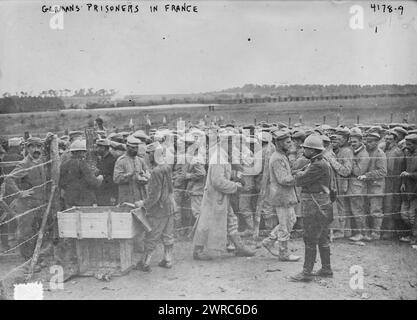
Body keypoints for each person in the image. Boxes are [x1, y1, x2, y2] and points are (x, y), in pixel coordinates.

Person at [192, 132, 255, 260]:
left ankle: (239, 247)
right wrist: (235, 186)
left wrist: (233, 178)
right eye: (231, 143)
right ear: (225, 143)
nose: (234, 146)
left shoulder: (223, 156)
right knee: (205, 223)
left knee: (231, 220)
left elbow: (223, 176)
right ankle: (198, 251)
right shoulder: (218, 158)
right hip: (214, 197)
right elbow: (217, 181)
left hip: (220, 197)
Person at [291, 135, 333, 282]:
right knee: (322, 238)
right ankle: (326, 268)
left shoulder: (317, 165)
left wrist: (298, 174)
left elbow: (300, 180)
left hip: (315, 205)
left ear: (313, 150)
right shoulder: (319, 162)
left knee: (310, 238)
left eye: (306, 148)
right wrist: (301, 173)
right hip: (322, 204)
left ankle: (306, 272)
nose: (303, 149)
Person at [5, 137, 47, 265]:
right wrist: (20, 193)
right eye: (32, 146)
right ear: (27, 148)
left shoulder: (39, 161)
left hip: (38, 203)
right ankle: (26, 261)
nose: (36, 149)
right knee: (24, 232)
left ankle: (34, 258)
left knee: (35, 231)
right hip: (26, 204)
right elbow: (9, 179)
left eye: (38, 146)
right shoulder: (25, 163)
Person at [134, 142, 175, 271]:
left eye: (149, 154)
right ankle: (168, 260)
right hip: (170, 206)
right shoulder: (166, 167)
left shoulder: (156, 171)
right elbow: (169, 188)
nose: (148, 157)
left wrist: (143, 203)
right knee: (168, 235)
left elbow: (154, 195)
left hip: (159, 209)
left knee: (152, 235)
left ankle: (145, 263)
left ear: (153, 154)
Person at [261, 130, 300, 261]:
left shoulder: (282, 156)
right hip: (281, 195)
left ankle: (270, 240)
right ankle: (284, 253)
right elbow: (283, 179)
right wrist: (300, 177)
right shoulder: (277, 158)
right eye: (287, 142)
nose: (291, 144)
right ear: (279, 143)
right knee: (285, 224)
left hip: (285, 195)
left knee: (291, 220)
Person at [59, 140, 103, 208]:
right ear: (80, 152)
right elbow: (93, 182)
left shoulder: (65, 164)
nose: (85, 154)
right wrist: (99, 179)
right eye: (84, 152)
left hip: (70, 198)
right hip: (84, 199)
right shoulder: (82, 164)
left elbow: (61, 182)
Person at [326, 128, 353, 239]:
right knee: (339, 206)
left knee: (342, 207)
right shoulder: (338, 150)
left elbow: (346, 171)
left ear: (346, 139)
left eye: (339, 139)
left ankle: (342, 231)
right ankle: (344, 231)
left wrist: (332, 161)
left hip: (342, 184)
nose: (336, 141)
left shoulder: (346, 151)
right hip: (336, 183)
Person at [360, 132, 387, 240]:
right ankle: (368, 232)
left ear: (377, 142)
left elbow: (383, 172)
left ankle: (376, 233)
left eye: (370, 142)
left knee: (375, 211)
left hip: (377, 187)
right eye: (367, 141)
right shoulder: (367, 152)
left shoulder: (380, 154)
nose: (368, 143)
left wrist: (367, 175)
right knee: (367, 209)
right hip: (368, 186)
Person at [346, 130, 370, 242]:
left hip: (358, 188)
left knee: (358, 210)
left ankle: (361, 233)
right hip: (353, 187)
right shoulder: (356, 152)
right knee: (355, 210)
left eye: (355, 141)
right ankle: (361, 232)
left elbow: (358, 172)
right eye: (351, 141)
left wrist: (351, 161)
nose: (352, 144)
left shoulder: (363, 154)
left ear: (361, 141)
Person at [382, 130, 405, 239]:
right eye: (386, 139)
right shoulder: (386, 150)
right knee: (385, 206)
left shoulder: (397, 152)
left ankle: (389, 231)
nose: (387, 141)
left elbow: (396, 170)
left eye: (390, 139)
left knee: (390, 207)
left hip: (393, 183)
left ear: (395, 140)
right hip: (385, 182)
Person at [113, 136, 148, 204]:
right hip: (127, 196)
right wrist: (130, 175)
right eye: (132, 148)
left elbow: (148, 174)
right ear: (127, 147)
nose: (135, 150)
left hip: (140, 196)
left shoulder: (140, 160)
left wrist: (144, 178)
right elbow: (116, 179)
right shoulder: (121, 161)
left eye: (136, 148)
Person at [399, 133, 417, 244]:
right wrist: (403, 183)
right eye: (406, 144)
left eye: (410, 144)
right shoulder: (407, 154)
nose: (407, 146)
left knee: (413, 215)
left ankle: (414, 237)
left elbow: (407, 172)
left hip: (415, 190)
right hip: (406, 190)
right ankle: (411, 235)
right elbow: (403, 170)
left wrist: (409, 175)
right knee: (404, 214)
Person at [95, 139, 118, 206]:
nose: (97, 149)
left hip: (109, 192)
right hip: (101, 191)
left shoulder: (112, 160)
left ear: (103, 148)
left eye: (98, 147)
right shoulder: (101, 159)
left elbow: (114, 179)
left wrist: (113, 196)